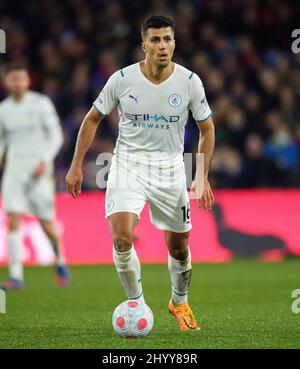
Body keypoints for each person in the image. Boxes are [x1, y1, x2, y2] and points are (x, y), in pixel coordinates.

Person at [66, 15, 215, 331]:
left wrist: (201, 175)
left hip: (171, 170)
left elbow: (207, 128)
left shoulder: (190, 82)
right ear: (143, 45)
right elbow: (92, 119)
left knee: (179, 247)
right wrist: (76, 164)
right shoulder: (122, 79)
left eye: (168, 39)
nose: (163, 46)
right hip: (126, 166)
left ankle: (180, 302)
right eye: (156, 40)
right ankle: (136, 303)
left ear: (174, 43)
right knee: (121, 238)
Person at [0, 62, 70, 291]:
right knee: (13, 220)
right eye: (13, 79)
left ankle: (60, 260)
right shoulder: (4, 110)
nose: (18, 83)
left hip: (39, 171)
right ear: (7, 82)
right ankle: (16, 277)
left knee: (47, 224)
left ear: (28, 80)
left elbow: (56, 135)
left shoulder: (40, 104)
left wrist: (45, 159)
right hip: (14, 172)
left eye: (21, 78)